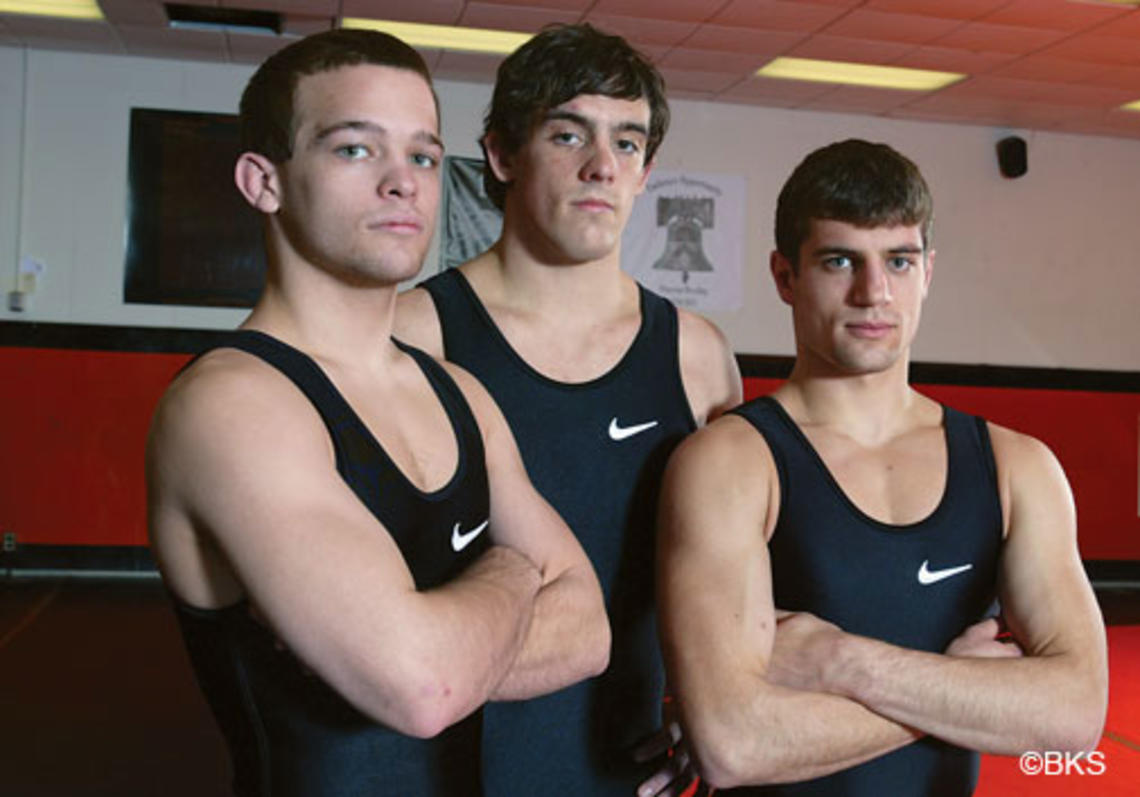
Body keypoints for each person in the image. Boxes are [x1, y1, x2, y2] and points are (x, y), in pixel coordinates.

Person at [146, 29, 609, 797]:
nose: (405, 183)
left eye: (424, 156)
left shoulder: (458, 393)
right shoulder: (232, 405)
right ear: (264, 181)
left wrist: (438, 639)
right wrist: (516, 567)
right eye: (356, 149)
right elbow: (422, 688)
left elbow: (588, 631)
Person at [657, 139, 1108, 796]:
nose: (873, 291)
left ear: (927, 271)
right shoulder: (730, 462)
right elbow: (732, 742)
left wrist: (845, 662)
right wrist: (963, 690)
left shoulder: (1016, 467)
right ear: (786, 276)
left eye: (898, 260)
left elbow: (1075, 711)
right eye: (840, 260)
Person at [394, 22, 741, 796]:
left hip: (629, 760)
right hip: (445, 757)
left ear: (647, 169)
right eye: (567, 135)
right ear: (501, 154)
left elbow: (727, 576)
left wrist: (715, 698)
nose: (600, 167)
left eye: (627, 143)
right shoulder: (413, 334)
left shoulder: (696, 354)